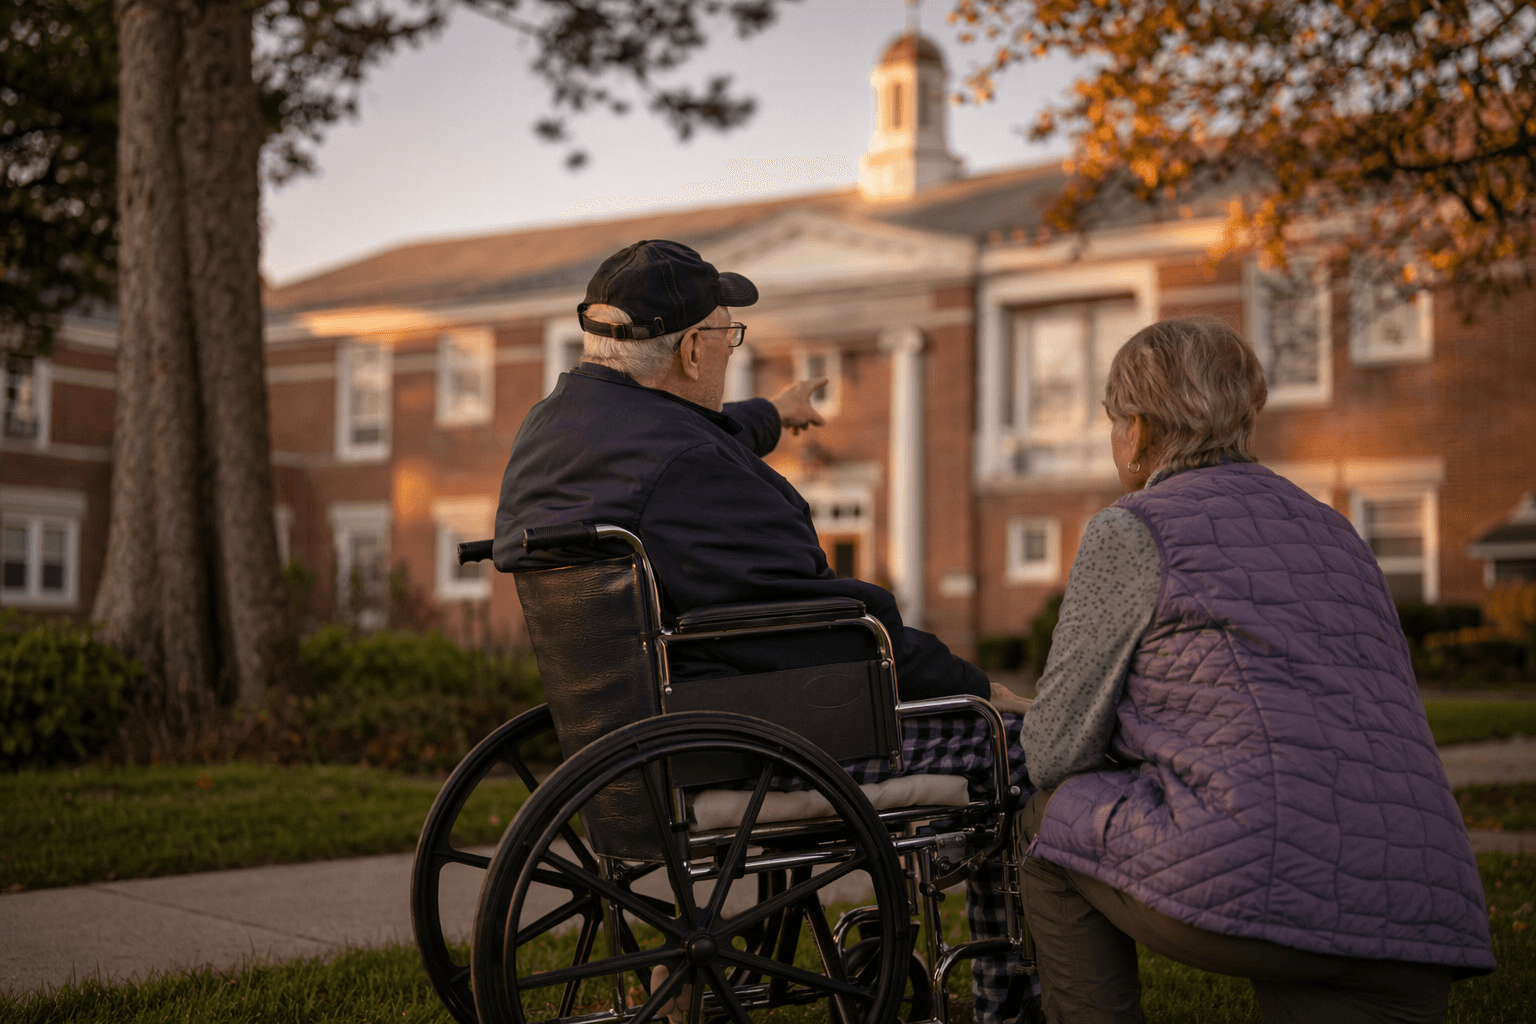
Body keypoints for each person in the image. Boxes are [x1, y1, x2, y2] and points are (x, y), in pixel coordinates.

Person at [496, 239, 1038, 1023]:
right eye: (725, 335)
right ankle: (1009, 997)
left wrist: (773, 415)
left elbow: (678, 440)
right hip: (745, 741)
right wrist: (981, 686)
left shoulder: (557, 431)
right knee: (1003, 742)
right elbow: (841, 629)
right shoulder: (691, 466)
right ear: (689, 350)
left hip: (625, 738)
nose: (728, 349)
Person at [1017, 316, 1495, 1023]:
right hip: (1421, 899)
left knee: (1043, 822)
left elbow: (1054, 749)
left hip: (1256, 882)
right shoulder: (1336, 528)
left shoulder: (1133, 528)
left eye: (1115, 422)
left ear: (1140, 432)